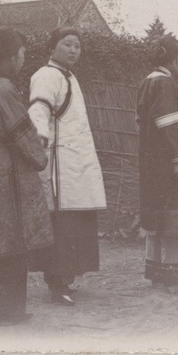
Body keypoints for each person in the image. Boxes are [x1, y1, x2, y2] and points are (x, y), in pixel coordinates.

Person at [0, 28, 52, 324]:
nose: (22, 60)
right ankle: (7, 311)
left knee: (0, 244)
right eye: (21, 55)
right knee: (12, 243)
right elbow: (21, 133)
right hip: (7, 177)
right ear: (9, 57)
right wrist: (40, 154)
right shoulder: (2, 89)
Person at [28, 27, 107, 305]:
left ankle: (67, 278)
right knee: (60, 223)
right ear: (52, 47)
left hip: (77, 163)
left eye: (77, 46)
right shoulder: (46, 76)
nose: (74, 50)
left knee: (76, 222)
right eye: (67, 44)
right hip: (59, 165)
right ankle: (56, 283)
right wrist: (40, 139)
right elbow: (38, 109)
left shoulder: (69, 76)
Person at [136, 34, 178, 288]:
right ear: (174, 59)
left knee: (157, 213)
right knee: (175, 212)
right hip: (166, 160)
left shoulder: (146, 82)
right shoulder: (166, 83)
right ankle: (173, 274)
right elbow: (168, 124)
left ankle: (157, 272)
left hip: (150, 159)